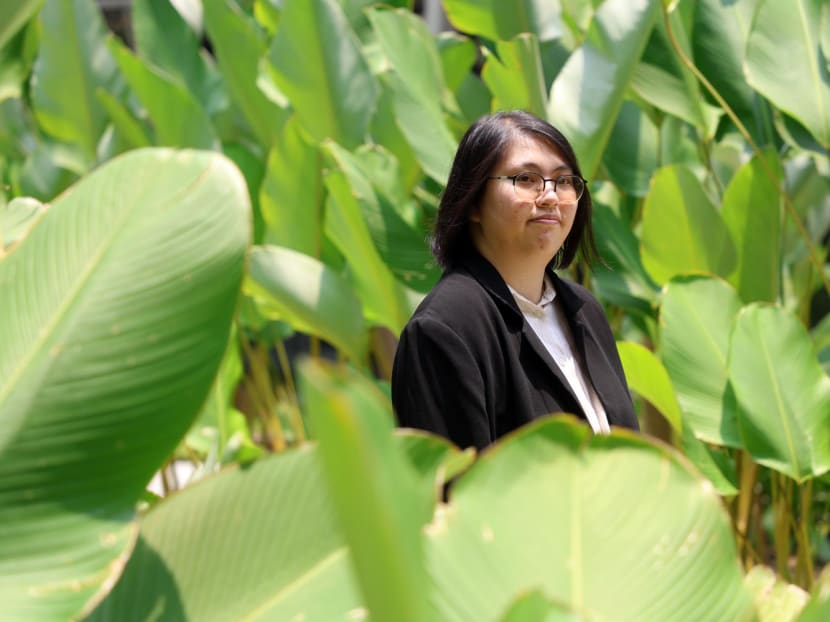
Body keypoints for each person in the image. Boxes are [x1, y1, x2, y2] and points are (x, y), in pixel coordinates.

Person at [391, 110, 639, 449]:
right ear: (473, 202)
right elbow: (455, 477)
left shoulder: (585, 310)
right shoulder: (444, 328)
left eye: (564, 181)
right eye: (526, 179)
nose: (550, 196)